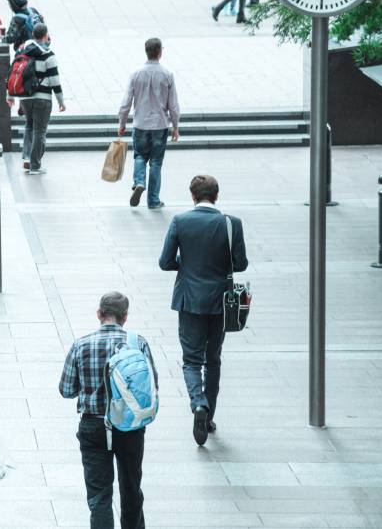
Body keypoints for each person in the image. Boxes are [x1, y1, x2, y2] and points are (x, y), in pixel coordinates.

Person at [159, 175, 248, 446]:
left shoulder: (180, 221)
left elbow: (165, 262)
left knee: (191, 360)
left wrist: (186, 265)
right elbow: (240, 264)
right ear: (216, 195)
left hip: (189, 300)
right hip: (221, 303)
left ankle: (198, 403)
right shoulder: (232, 224)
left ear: (193, 196)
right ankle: (208, 417)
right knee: (214, 359)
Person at [59, 291, 158, 529]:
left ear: (99, 314)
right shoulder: (138, 343)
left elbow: (66, 389)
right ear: (125, 317)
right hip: (130, 426)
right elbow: (152, 384)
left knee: (99, 496)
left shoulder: (81, 344)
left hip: (93, 426)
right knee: (131, 488)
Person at [117, 38, 180, 210]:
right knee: (156, 163)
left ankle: (139, 182)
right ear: (160, 52)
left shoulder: (136, 74)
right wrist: (175, 127)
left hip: (140, 123)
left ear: (146, 51)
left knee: (139, 156)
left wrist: (122, 123)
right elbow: (173, 105)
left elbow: (126, 103)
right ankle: (153, 200)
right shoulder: (167, 74)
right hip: (160, 125)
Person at [15, 23, 65, 175]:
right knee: (40, 131)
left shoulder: (22, 51)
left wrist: (11, 96)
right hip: (42, 98)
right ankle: (35, 165)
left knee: (29, 126)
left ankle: (27, 158)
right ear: (45, 35)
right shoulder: (48, 55)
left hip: (25, 98)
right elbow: (54, 80)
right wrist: (61, 101)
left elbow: (15, 73)